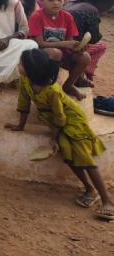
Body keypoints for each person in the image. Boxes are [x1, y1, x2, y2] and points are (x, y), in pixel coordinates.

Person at [6, 49, 113, 221]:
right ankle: (89, 189)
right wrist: (20, 126)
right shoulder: (25, 81)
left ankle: (107, 201)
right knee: (68, 156)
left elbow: (60, 117)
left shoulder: (53, 90)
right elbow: (23, 103)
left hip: (74, 122)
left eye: (21, 64)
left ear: (31, 70)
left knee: (84, 159)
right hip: (58, 124)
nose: (18, 66)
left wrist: (53, 138)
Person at [29, 0, 88, 101]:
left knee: (85, 57)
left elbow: (69, 40)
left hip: (62, 52)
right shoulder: (37, 16)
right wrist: (65, 44)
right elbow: (40, 43)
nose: (56, 2)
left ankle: (68, 85)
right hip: (40, 53)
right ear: (41, 0)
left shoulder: (67, 16)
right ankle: (50, 86)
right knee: (56, 53)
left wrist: (78, 47)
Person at [66, 0, 114, 86]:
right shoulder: (92, 10)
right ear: (105, 2)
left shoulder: (73, 3)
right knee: (100, 47)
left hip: (57, 43)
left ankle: (80, 76)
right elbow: (94, 38)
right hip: (68, 50)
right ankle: (80, 77)